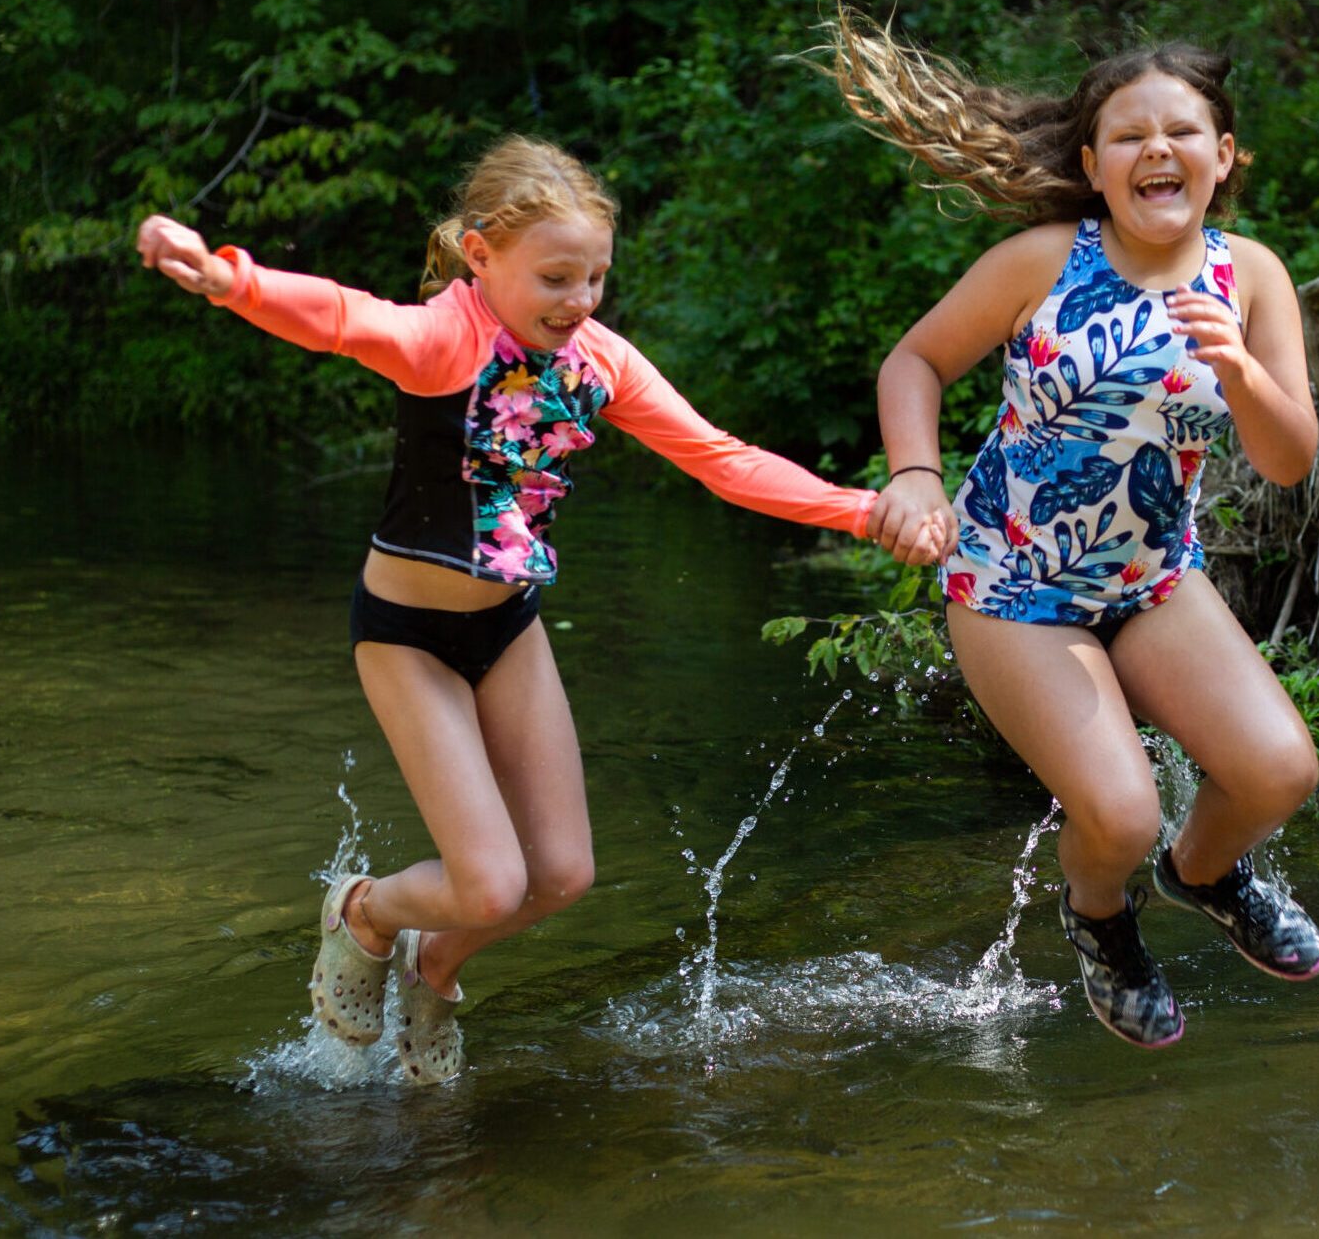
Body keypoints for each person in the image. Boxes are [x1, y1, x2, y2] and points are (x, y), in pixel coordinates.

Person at [137, 136, 935, 1083]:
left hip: (507, 628)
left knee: (560, 877)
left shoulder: (599, 363)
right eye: (556, 278)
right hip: (407, 636)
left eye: (595, 277)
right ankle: (365, 912)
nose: (580, 300)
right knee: (488, 881)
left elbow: (722, 459)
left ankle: (436, 969)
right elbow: (344, 319)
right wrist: (232, 280)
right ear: (481, 257)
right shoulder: (447, 342)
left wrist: (864, 510)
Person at [832, 7, 1319, 1048]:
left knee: (1281, 770)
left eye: (1184, 131)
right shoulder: (1043, 260)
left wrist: (1239, 371)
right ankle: (1101, 916)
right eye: (1131, 135)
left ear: (1225, 157)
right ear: (1096, 166)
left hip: (1151, 579)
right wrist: (916, 477)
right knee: (1119, 814)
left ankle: (1205, 873)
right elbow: (912, 362)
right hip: (1014, 585)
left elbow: (1288, 460)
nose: (1159, 149)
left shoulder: (1256, 277)